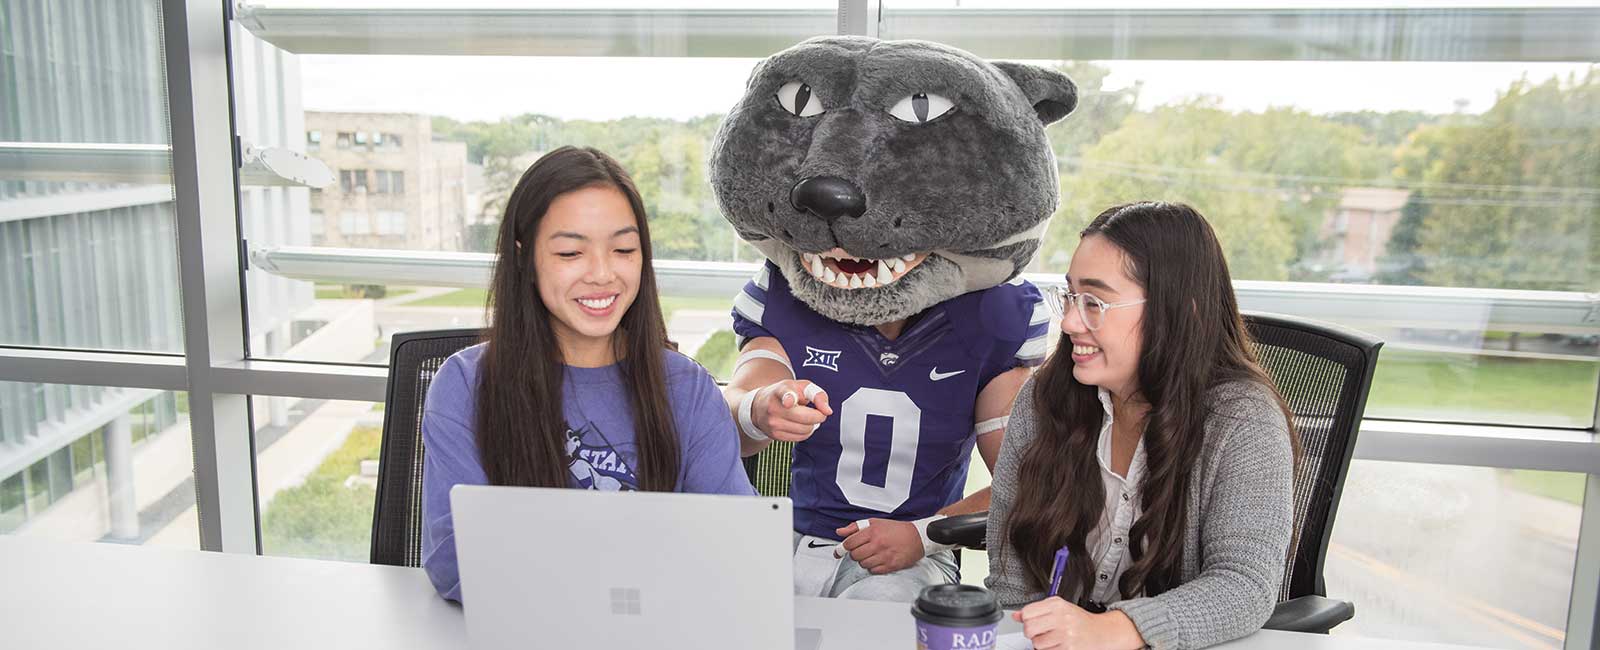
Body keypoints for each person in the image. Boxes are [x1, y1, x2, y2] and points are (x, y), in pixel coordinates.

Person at [420, 146, 755, 602]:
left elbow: (736, 550)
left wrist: (546, 558)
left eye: (622, 249)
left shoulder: (687, 388)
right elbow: (456, 561)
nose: (602, 274)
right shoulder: (464, 385)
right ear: (525, 259)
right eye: (571, 252)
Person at [985, 202, 1298, 649]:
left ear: (1179, 310)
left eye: (1095, 302)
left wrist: (1114, 630)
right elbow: (1012, 577)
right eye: (1071, 297)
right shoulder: (1045, 398)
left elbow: (1245, 584)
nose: (1070, 321)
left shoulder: (1242, 421)